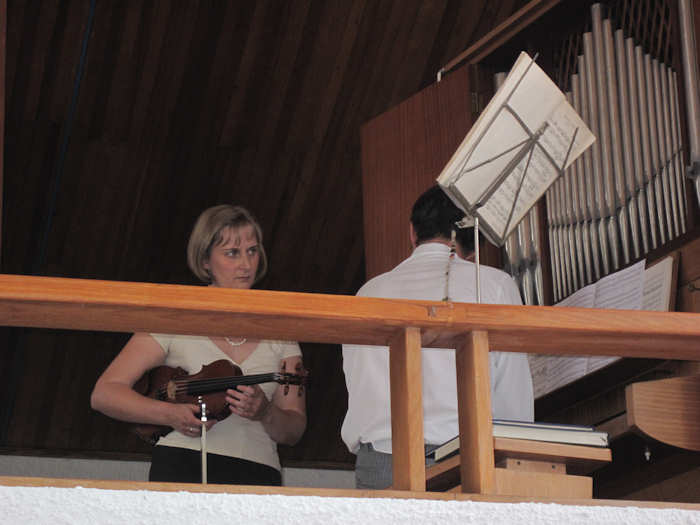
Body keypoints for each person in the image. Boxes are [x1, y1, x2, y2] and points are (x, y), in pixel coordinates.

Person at [91, 205, 306, 485]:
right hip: (180, 465)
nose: (246, 264)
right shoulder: (176, 316)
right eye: (232, 253)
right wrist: (170, 414)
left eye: (252, 251)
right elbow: (105, 393)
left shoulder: (281, 329)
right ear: (205, 260)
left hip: (259, 471)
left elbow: (294, 430)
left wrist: (266, 412)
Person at [341, 185, 534, 489]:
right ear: (472, 243)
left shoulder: (368, 293)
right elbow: (513, 395)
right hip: (466, 457)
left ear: (412, 232)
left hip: (381, 461)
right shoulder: (493, 285)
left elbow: (358, 384)